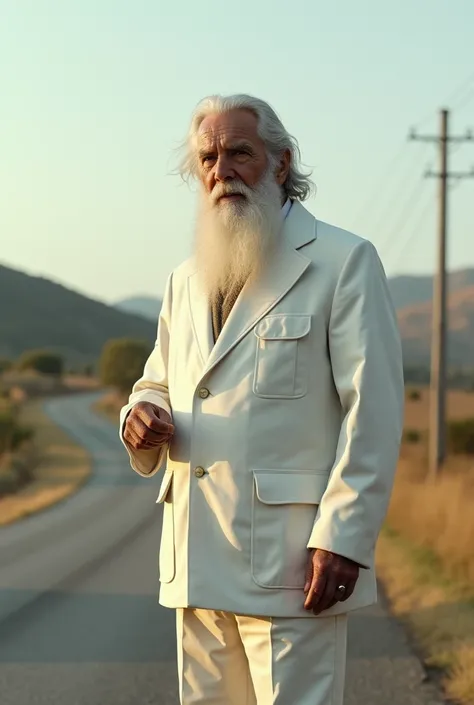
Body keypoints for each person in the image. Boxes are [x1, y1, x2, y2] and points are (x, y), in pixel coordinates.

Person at [119, 94, 404, 705]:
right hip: (194, 561)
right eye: (208, 157)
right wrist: (137, 415)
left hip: (292, 566)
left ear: (280, 162)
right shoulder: (185, 277)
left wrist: (345, 537)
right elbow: (156, 383)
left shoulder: (342, 260)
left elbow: (373, 411)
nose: (221, 169)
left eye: (239, 152)